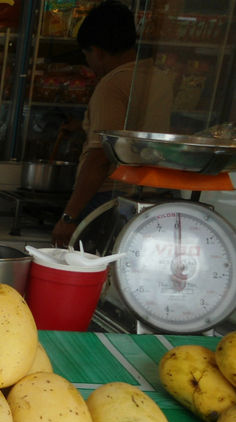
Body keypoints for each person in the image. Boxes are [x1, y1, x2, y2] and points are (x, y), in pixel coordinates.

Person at [51, 0, 173, 249]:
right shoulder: (157, 77)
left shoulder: (111, 85)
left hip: (108, 197)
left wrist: (68, 217)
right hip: (151, 194)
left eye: (87, 56)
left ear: (97, 51)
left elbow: (101, 157)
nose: (90, 64)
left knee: (86, 269)